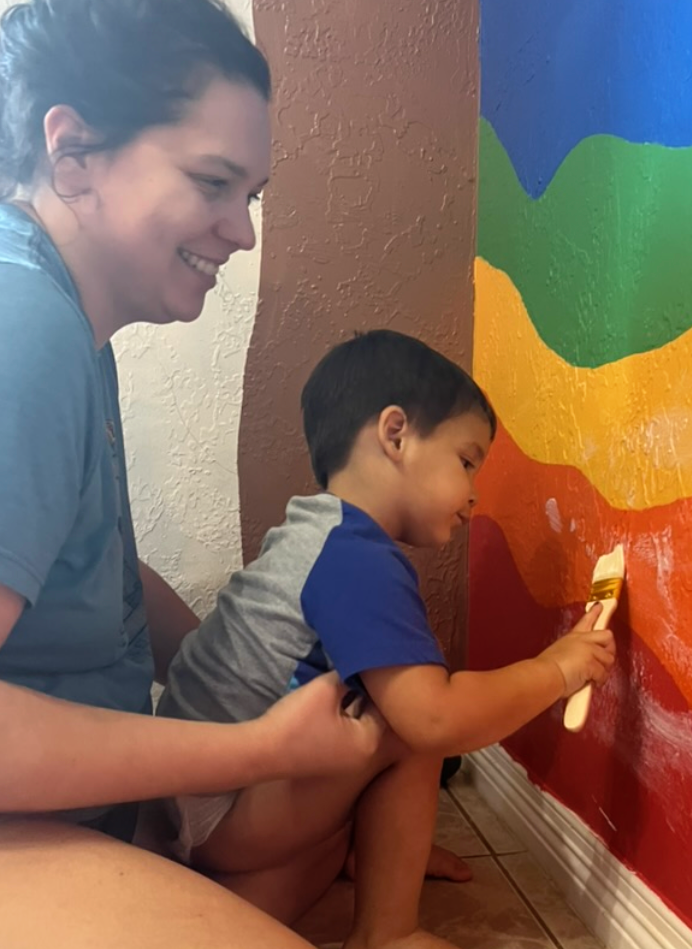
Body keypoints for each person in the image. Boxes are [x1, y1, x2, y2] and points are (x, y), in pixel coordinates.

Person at [0, 1, 386, 947]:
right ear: (74, 151)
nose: (242, 232)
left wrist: (231, 656)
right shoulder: (26, 330)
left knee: (321, 848)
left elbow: (95, 578)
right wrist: (255, 744)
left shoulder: (70, 326)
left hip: (75, 799)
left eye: (249, 195)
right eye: (213, 182)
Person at [158, 330, 617, 949]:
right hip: (225, 813)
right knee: (411, 719)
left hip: (196, 806)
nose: (476, 494)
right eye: (466, 460)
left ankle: (359, 852)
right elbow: (434, 717)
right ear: (395, 434)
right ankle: (388, 933)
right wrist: (557, 671)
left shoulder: (317, 533)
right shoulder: (356, 555)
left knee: (386, 711)